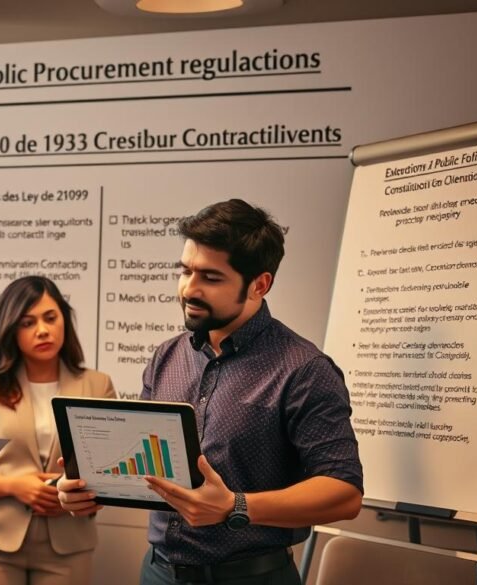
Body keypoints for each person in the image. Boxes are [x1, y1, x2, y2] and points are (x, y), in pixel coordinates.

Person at [58, 199, 363, 585]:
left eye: (211, 278)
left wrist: (236, 506)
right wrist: (87, 489)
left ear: (259, 285)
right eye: (185, 271)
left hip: (250, 578)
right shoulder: (168, 356)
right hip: (158, 572)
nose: (189, 289)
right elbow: (144, 463)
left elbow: (344, 493)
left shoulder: (304, 369)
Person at [0, 276, 116, 585]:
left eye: (50, 318)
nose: (42, 330)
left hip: (69, 542)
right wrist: (15, 486)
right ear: (10, 330)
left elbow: (112, 475)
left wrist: (75, 495)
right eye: (27, 323)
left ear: (64, 320)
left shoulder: (98, 385)